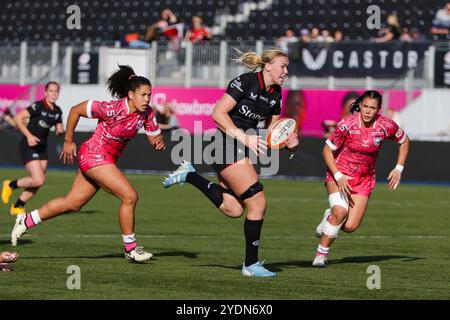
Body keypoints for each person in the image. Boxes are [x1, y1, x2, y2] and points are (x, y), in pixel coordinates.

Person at [162, 48, 299, 277]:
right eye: (282, 66)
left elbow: (271, 133)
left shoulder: (276, 94)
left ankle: (189, 175)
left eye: (286, 67)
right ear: (267, 66)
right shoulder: (245, 81)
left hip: (239, 148)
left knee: (234, 209)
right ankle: (251, 265)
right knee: (258, 202)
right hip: (223, 144)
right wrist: (244, 136)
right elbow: (217, 114)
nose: (286, 71)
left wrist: (288, 143)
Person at [10, 66, 166, 263]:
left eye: (149, 95)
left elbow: (155, 137)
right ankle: (131, 248)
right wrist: (68, 141)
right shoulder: (111, 108)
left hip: (103, 160)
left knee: (73, 203)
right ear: (130, 94)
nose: (147, 99)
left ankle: (26, 220)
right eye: (143, 95)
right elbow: (76, 110)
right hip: (94, 154)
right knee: (130, 196)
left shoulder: (147, 114)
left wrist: (158, 141)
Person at [313, 90, 410, 267]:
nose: (367, 111)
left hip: (364, 179)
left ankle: (329, 216)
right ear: (360, 106)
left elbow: (404, 141)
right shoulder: (347, 124)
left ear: (378, 110)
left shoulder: (385, 125)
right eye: (365, 106)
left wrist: (398, 168)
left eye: (372, 108)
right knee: (340, 212)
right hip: (339, 174)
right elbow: (326, 150)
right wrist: (338, 175)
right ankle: (320, 255)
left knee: (350, 226)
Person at [2, 82, 64, 216]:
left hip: (42, 148)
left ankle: (18, 206)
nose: (53, 94)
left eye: (56, 91)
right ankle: (10, 184)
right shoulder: (38, 105)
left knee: (37, 182)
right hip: (28, 145)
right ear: (45, 93)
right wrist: (29, 136)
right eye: (51, 91)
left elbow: (59, 127)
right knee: (39, 179)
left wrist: (60, 130)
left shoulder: (58, 111)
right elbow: (18, 118)